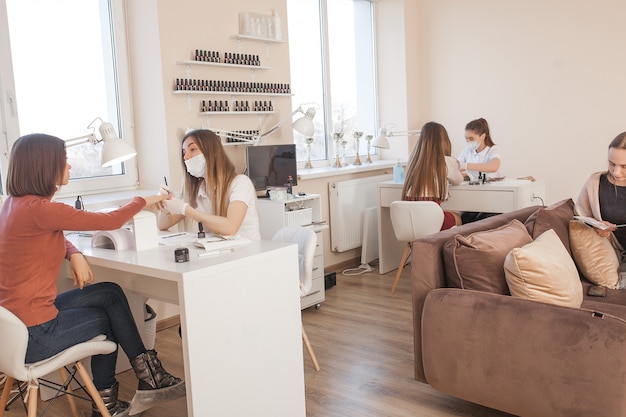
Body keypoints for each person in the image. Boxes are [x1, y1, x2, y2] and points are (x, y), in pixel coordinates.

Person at [0, 133, 185, 417]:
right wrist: (144, 200)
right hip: (35, 335)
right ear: (44, 166)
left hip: (15, 327)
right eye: (63, 160)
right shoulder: (42, 210)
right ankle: (120, 397)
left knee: (110, 292)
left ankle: (147, 378)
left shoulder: (13, 205)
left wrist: (74, 252)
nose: (70, 166)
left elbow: (51, 234)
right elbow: (109, 221)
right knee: (107, 319)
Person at [157, 129, 261, 240]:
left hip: (247, 252)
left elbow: (230, 227)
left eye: (193, 149)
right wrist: (166, 205)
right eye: (184, 152)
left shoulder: (240, 183)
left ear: (212, 152)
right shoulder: (200, 189)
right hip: (219, 252)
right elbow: (163, 225)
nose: (186, 157)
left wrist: (185, 209)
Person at [402, 121, 464, 230]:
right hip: (431, 219)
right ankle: (442, 246)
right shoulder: (447, 161)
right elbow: (458, 180)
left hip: (411, 220)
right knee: (458, 217)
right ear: (444, 142)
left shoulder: (413, 162)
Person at [576, 131, 626, 249]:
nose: (616, 172)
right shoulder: (595, 182)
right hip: (612, 250)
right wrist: (596, 226)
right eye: (611, 164)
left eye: (624, 166)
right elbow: (579, 217)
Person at [457, 118, 502, 223]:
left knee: (485, 220)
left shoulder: (493, 150)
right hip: (472, 196)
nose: (468, 142)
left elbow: (494, 166)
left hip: (491, 197)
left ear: (482, 136)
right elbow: (456, 167)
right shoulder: (467, 151)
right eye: (466, 139)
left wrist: (467, 166)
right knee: (466, 219)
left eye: (471, 139)